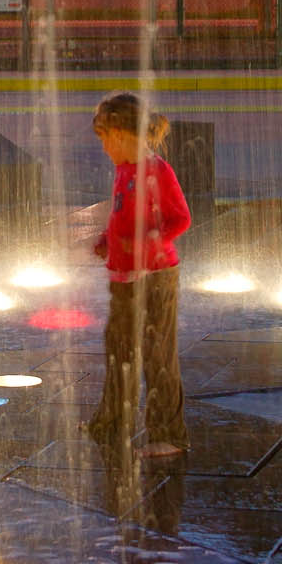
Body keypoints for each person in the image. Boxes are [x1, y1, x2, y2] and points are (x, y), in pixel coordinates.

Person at [85, 93, 191, 458]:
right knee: (119, 351)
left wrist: (148, 240)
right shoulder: (125, 169)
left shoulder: (157, 170)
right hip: (123, 277)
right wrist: (106, 240)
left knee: (157, 354)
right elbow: (123, 215)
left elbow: (180, 218)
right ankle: (110, 423)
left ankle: (169, 434)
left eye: (106, 139)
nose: (104, 148)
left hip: (157, 276)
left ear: (125, 135)